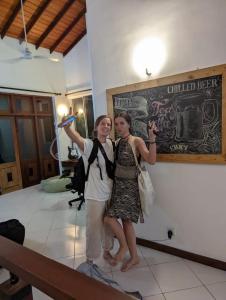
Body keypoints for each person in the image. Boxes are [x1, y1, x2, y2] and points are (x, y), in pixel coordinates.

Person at [104, 112, 157, 272]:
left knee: (109, 218)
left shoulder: (137, 141)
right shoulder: (118, 142)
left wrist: (152, 139)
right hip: (118, 188)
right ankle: (134, 257)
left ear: (129, 124)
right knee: (125, 222)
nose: (119, 127)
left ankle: (124, 247)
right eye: (117, 124)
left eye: (122, 123)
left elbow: (151, 160)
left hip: (131, 188)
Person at [63, 114, 115, 265]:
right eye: (103, 124)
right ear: (96, 127)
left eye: (108, 124)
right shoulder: (89, 145)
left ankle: (107, 252)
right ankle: (90, 259)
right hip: (94, 195)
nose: (106, 126)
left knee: (108, 227)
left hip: (109, 193)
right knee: (93, 229)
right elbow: (76, 138)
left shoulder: (112, 144)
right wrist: (67, 128)